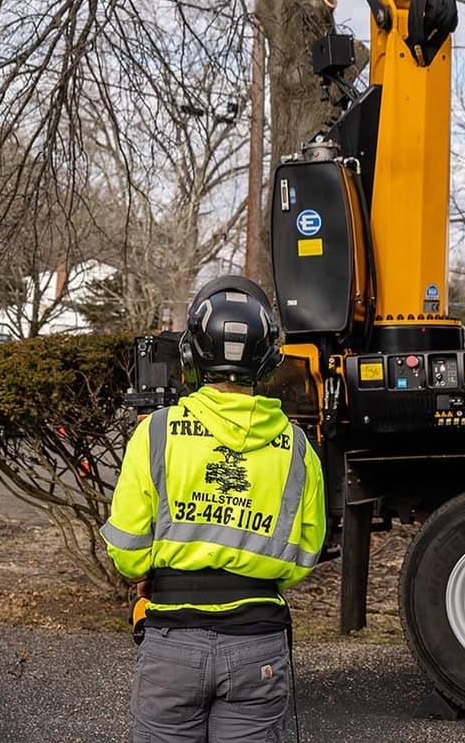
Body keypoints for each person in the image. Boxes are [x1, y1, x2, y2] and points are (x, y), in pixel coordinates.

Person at [101, 276, 326, 743]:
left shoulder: (157, 433)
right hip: (257, 648)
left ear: (191, 356)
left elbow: (125, 552)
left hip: (171, 646)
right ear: (268, 360)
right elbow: (303, 556)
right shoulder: (297, 448)